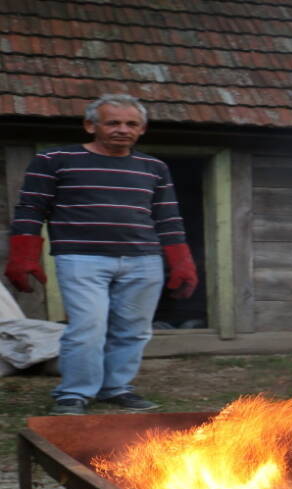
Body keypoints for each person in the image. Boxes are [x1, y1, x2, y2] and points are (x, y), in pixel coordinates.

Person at [4, 94, 197, 415]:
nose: (123, 129)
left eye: (131, 124)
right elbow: (30, 209)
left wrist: (181, 263)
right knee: (87, 327)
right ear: (90, 125)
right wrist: (23, 256)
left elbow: (167, 218)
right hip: (81, 258)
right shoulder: (54, 160)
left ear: (142, 129)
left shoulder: (153, 168)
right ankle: (74, 393)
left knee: (134, 329)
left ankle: (116, 387)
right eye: (113, 122)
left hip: (143, 259)